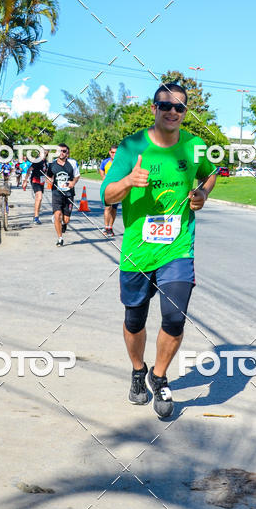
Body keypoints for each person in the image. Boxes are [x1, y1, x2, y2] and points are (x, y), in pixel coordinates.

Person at [100, 83, 216, 419]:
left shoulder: (195, 147)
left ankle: (160, 376)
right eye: (165, 105)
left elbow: (210, 176)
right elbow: (107, 197)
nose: (172, 111)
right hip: (137, 250)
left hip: (178, 249)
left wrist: (202, 194)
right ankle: (138, 370)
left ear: (184, 112)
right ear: (153, 108)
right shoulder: (131, 146)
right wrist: (127, 182)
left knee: (175, 318)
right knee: (134, 319)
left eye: (179, 107)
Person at [48, 144, 78, 246]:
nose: (62, 153)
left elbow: (77, 176)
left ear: (67, 152)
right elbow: (49, 176)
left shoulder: (72, 163)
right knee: (57, 215)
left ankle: (64, 224)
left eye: (64, 151)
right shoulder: (52, 165)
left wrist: (73, 183)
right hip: (56, 193)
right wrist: (50, 181)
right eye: (59, 151)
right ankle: (60, 238)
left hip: (69, 194)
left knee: (66, 219)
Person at [99, 145, 118, 237]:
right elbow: (101, 170)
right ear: (110, 152)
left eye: (116, 152)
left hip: (117, 189)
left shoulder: (121, 162)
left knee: (114, 209)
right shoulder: (105, 162)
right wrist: (103, 178)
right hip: (108, 188)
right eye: (112, 152)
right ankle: (106, 227)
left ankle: (110, 227)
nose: (114, 154)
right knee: (107, 208)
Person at [25, 151, 48, 224]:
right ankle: (36, 217)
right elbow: (29, 170)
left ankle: (36, 215)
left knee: (39, 199)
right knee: (39, 197)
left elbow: (45, 172)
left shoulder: (45, 162)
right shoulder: (37, 161)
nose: (44, 154)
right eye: (43, 152)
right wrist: (25, 181)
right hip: (35, 180)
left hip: (41, 181)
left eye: (46, 152)